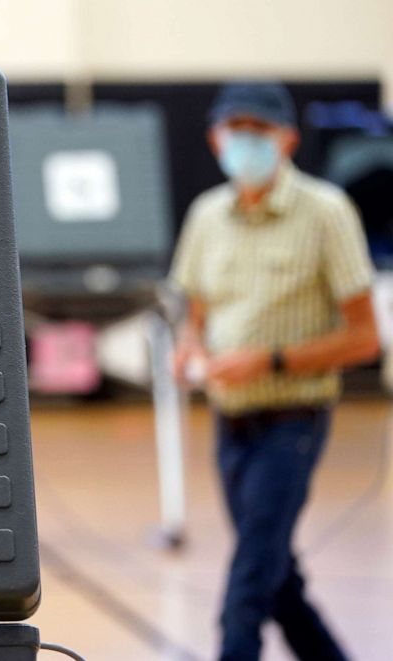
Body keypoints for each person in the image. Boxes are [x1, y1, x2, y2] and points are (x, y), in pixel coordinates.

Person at [170, 81, 380, 661]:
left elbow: (365, 338)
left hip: (293, 422)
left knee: (246, 588)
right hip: (228, 423)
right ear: (215, 138)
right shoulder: (206, 215)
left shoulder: (326, 212)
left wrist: (271, 360)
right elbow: (194, 310)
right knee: (277, 578)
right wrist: (188, 346)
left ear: (287, 138)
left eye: (258, 132)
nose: (245, 143)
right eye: (234, 131)